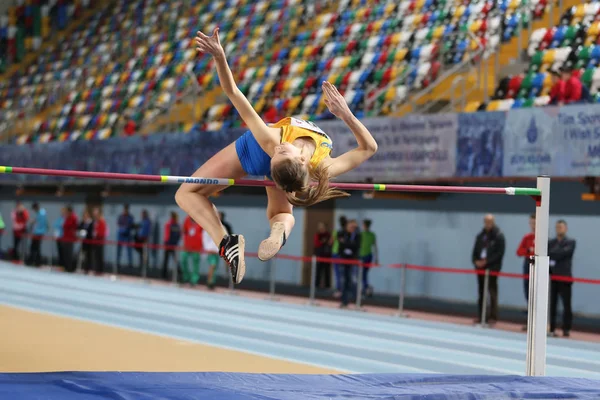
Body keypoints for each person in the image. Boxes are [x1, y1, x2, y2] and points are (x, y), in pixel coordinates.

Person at [175, 29, 377, 285]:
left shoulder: (272, 142)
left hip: (255, 149)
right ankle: (280, 227)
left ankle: (226, 243)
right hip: (275, 164)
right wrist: (346, 115)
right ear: (301, 162)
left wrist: (220, 56)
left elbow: (234, 92)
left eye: (278, 154)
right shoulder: (320, 166)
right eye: (281, 152)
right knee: (281, 211)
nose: (280, 149)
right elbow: (368, 148)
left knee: (185, 193)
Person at [471, 214, 505, 325]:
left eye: (489, 221)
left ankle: (493, 317)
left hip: (492, 268)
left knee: (492, 292)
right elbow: (475, 251)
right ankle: (482, 316)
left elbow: (499, 253)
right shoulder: (480, 235)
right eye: (486, 221)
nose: (487, 224)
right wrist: (476, 261)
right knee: (481, 293)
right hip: (480, 269)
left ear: (493, 222)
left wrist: (487, 262)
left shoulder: (499, 236)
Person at [548, 220, 576, 338]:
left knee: (566, 305)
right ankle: (552, 327)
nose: (559, 229)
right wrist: (555, 253)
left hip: (565, 277)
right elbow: (548, 253)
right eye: (557, 227)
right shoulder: (551, 242)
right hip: (552, 276)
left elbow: (562, 254)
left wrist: (555, 254)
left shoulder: (570, 242)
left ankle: (566, 328)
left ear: (566, 229)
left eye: (561, 227)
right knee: (552, 304)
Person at [338, 219, 361, 308]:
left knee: (353, 281)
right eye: (350, 227)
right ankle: (344, 301)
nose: (351, 228)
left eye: (353, 227)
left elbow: (356, 246)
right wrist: (348, 245)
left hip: (353, 260)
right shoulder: (343, 233)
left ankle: (356, 301)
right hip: (344, 259)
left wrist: (347, 245)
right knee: (344, 281)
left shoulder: (357, 235)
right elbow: (342, 245)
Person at [516, 214, 536, 303]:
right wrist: (528, 250)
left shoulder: (544, 238)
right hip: (528, 264)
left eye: (535, 223)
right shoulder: (527, 237)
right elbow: (519, 252)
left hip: (539, 265)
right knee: (527, 287)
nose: (533, 225)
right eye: (531, 223)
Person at [181, 215, 203, 286]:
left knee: (195, 264)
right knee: (183, 259)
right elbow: (184, 231)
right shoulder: (187, 219)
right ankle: (186, 277)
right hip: (187, 246)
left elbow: (204, 234)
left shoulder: (201, 220)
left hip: (197, 247)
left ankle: (194, 279)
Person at [359, 219, 378, 297]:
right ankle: (365, 287)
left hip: (367, 256)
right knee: (363, 274)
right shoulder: (361, 234)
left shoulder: (371, 235)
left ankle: (365, 288)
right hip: (362, 255)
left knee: (364, 273)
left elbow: (375, 247)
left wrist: (376, 258)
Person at [162, 211, 181, 281]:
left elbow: (167, 236)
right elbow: (179, 235)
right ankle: (179, 274)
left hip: (169, 245)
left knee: (167, 260)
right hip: (173, 245)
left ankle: (164, 274)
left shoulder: (169, 224)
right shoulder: (176, 225)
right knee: (175, 260)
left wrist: (166, 243)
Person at [28, 203, 48, 267]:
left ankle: (36, 262)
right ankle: (36, 261)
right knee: (35, 247)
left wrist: (33, 222)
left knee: (35, 247)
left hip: (38, 232)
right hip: (38, 232)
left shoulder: (41, 213)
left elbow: (40, 223)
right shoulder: (41, 213)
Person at [332, 215, 347, 298]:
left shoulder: (337, 232)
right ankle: (342, 289)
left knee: (338, 273)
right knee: (343, 273)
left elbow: (331, 241)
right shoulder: (347, 232)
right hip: (342, 254)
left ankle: (339, 290)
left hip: (336, 252)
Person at [313, 222, 331, 289]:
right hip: (319, 255)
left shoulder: (328, 234)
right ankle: (316, 286)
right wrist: (322, 242)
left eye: (322, 227)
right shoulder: (317, 235)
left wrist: (325, 241)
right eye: (320, 227)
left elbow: (330, 243)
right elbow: (317, 243)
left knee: (327, 271)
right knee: (318, 271)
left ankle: (327, 286)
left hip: (326, 255)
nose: (321, 228)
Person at [116, 204, 134, 269]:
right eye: (124, 209)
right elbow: (118, 223)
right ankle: (117, 264)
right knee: (119, 251)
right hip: (120, 235)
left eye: (126, 209)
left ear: (128, 210)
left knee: (129, 251)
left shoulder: (130, 217)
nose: (125, 211)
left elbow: (131, 225)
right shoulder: (120, 216)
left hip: (127, 235)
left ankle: (130, 265)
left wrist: (126, 227)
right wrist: (123, 227)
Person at [62, 205, 78, 272]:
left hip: (70, 238)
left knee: (70, 253)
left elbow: (73, 227)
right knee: (65, 253)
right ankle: (66, 267)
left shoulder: (74, 217)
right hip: (66, 237)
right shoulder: (67, 217)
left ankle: (70, 268)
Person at [92, 207, 107, 275]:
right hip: (96, 241)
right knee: (96, 256)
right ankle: (96, 270)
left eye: (96, 214)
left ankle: (100, 270)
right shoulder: (96, 222)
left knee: (100, 256)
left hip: (100, 241)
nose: (95, 215)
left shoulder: (102, 222)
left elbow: (103, 232)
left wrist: (97, 233)